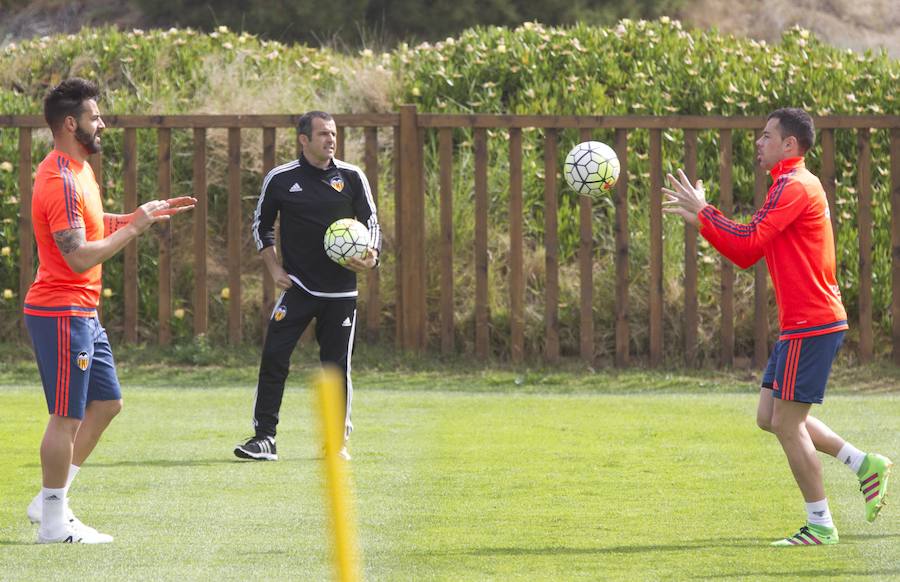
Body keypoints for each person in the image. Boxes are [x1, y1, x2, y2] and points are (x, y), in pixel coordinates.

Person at [662, 107, 892, 546]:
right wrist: (704, 220)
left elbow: (747, 247)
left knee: (788, 423)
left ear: (789, 144)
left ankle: (821, 524)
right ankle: (864, 464)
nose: (758, 142)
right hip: (803, 324)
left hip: (812, 323)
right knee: (770, 417)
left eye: (766, 135)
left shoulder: (793, 185)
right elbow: (748, 243)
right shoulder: (790, 184)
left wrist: (705, 212)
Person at [24, 78, 195, 544]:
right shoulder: (58, 177)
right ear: (70, 123)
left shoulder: (80, 171)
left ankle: (49, 501)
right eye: (95, 116)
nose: (103, 124)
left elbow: (91, 226)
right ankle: (54, 524)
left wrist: (140, 215)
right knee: (67, 416)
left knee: (107, 403)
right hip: (61, 311)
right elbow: (78, 255)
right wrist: (135, 230)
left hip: (83, 312)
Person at [234, 110, 381, 462]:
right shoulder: (281, 179)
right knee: (274, 356)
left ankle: (335, 443)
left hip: (342, 292)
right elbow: (261, 225)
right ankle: (264, 438)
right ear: (304, 140)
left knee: (336, 368)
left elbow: (371, 221)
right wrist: (273, 267)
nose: (330, 140)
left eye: (333, 134)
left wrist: (371, 256)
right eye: (323, 135)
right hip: (298, 287)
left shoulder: (351, 176)